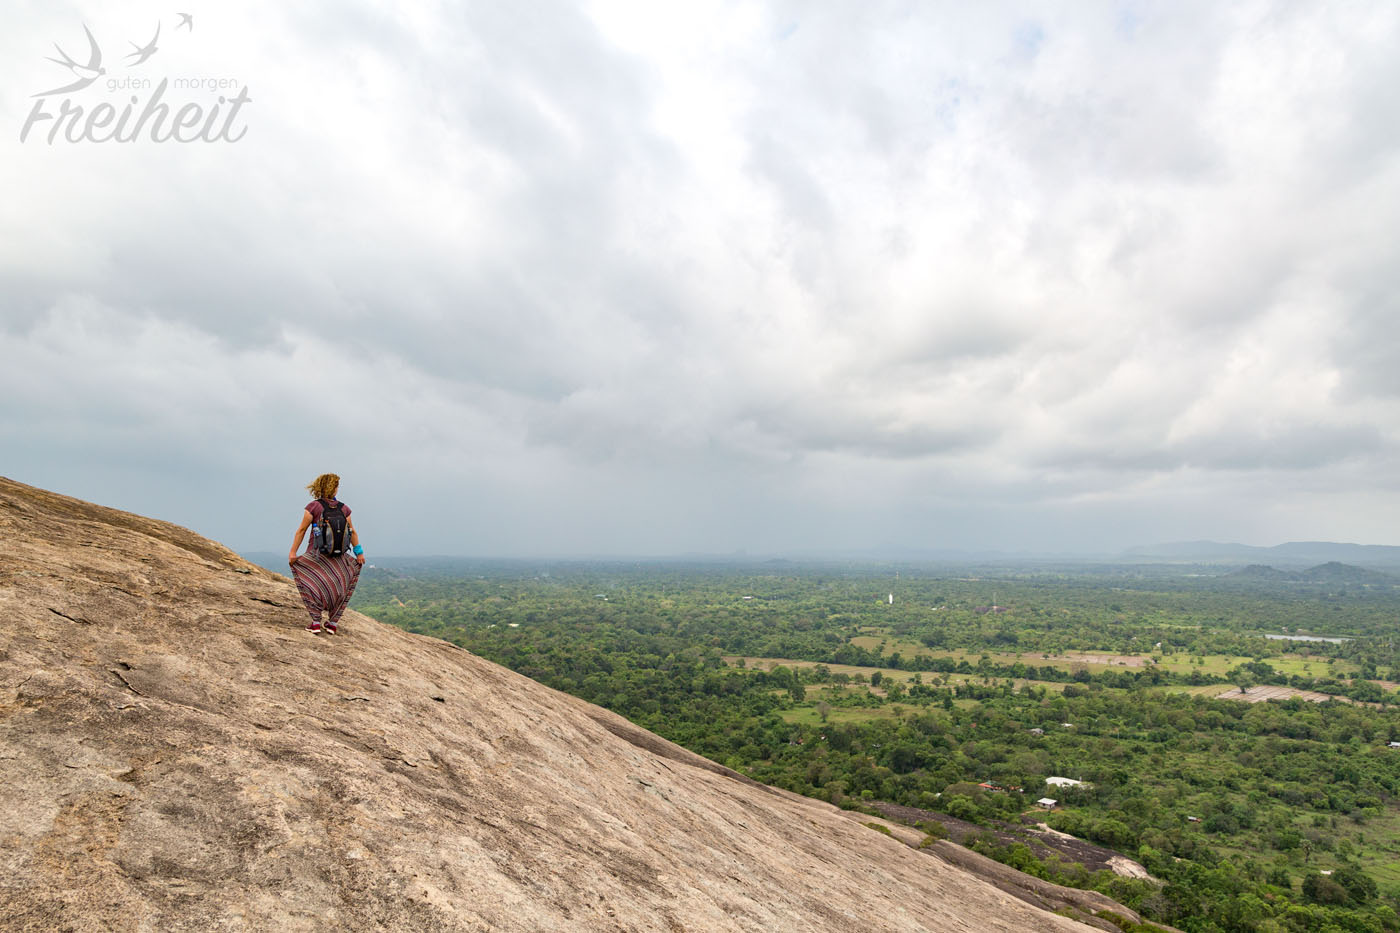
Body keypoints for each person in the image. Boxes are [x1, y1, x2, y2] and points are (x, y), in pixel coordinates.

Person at [287, 473, 365, 634]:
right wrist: (359, 553)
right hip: (339, 557)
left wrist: (293, 553)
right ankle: (332, 623)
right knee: (340, 588)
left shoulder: (313, 507)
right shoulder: (344, 508)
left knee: (311, 586)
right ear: (333, 488)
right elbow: (352, 532)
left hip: (316, 555)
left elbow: (301, 530)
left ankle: (316, 622)